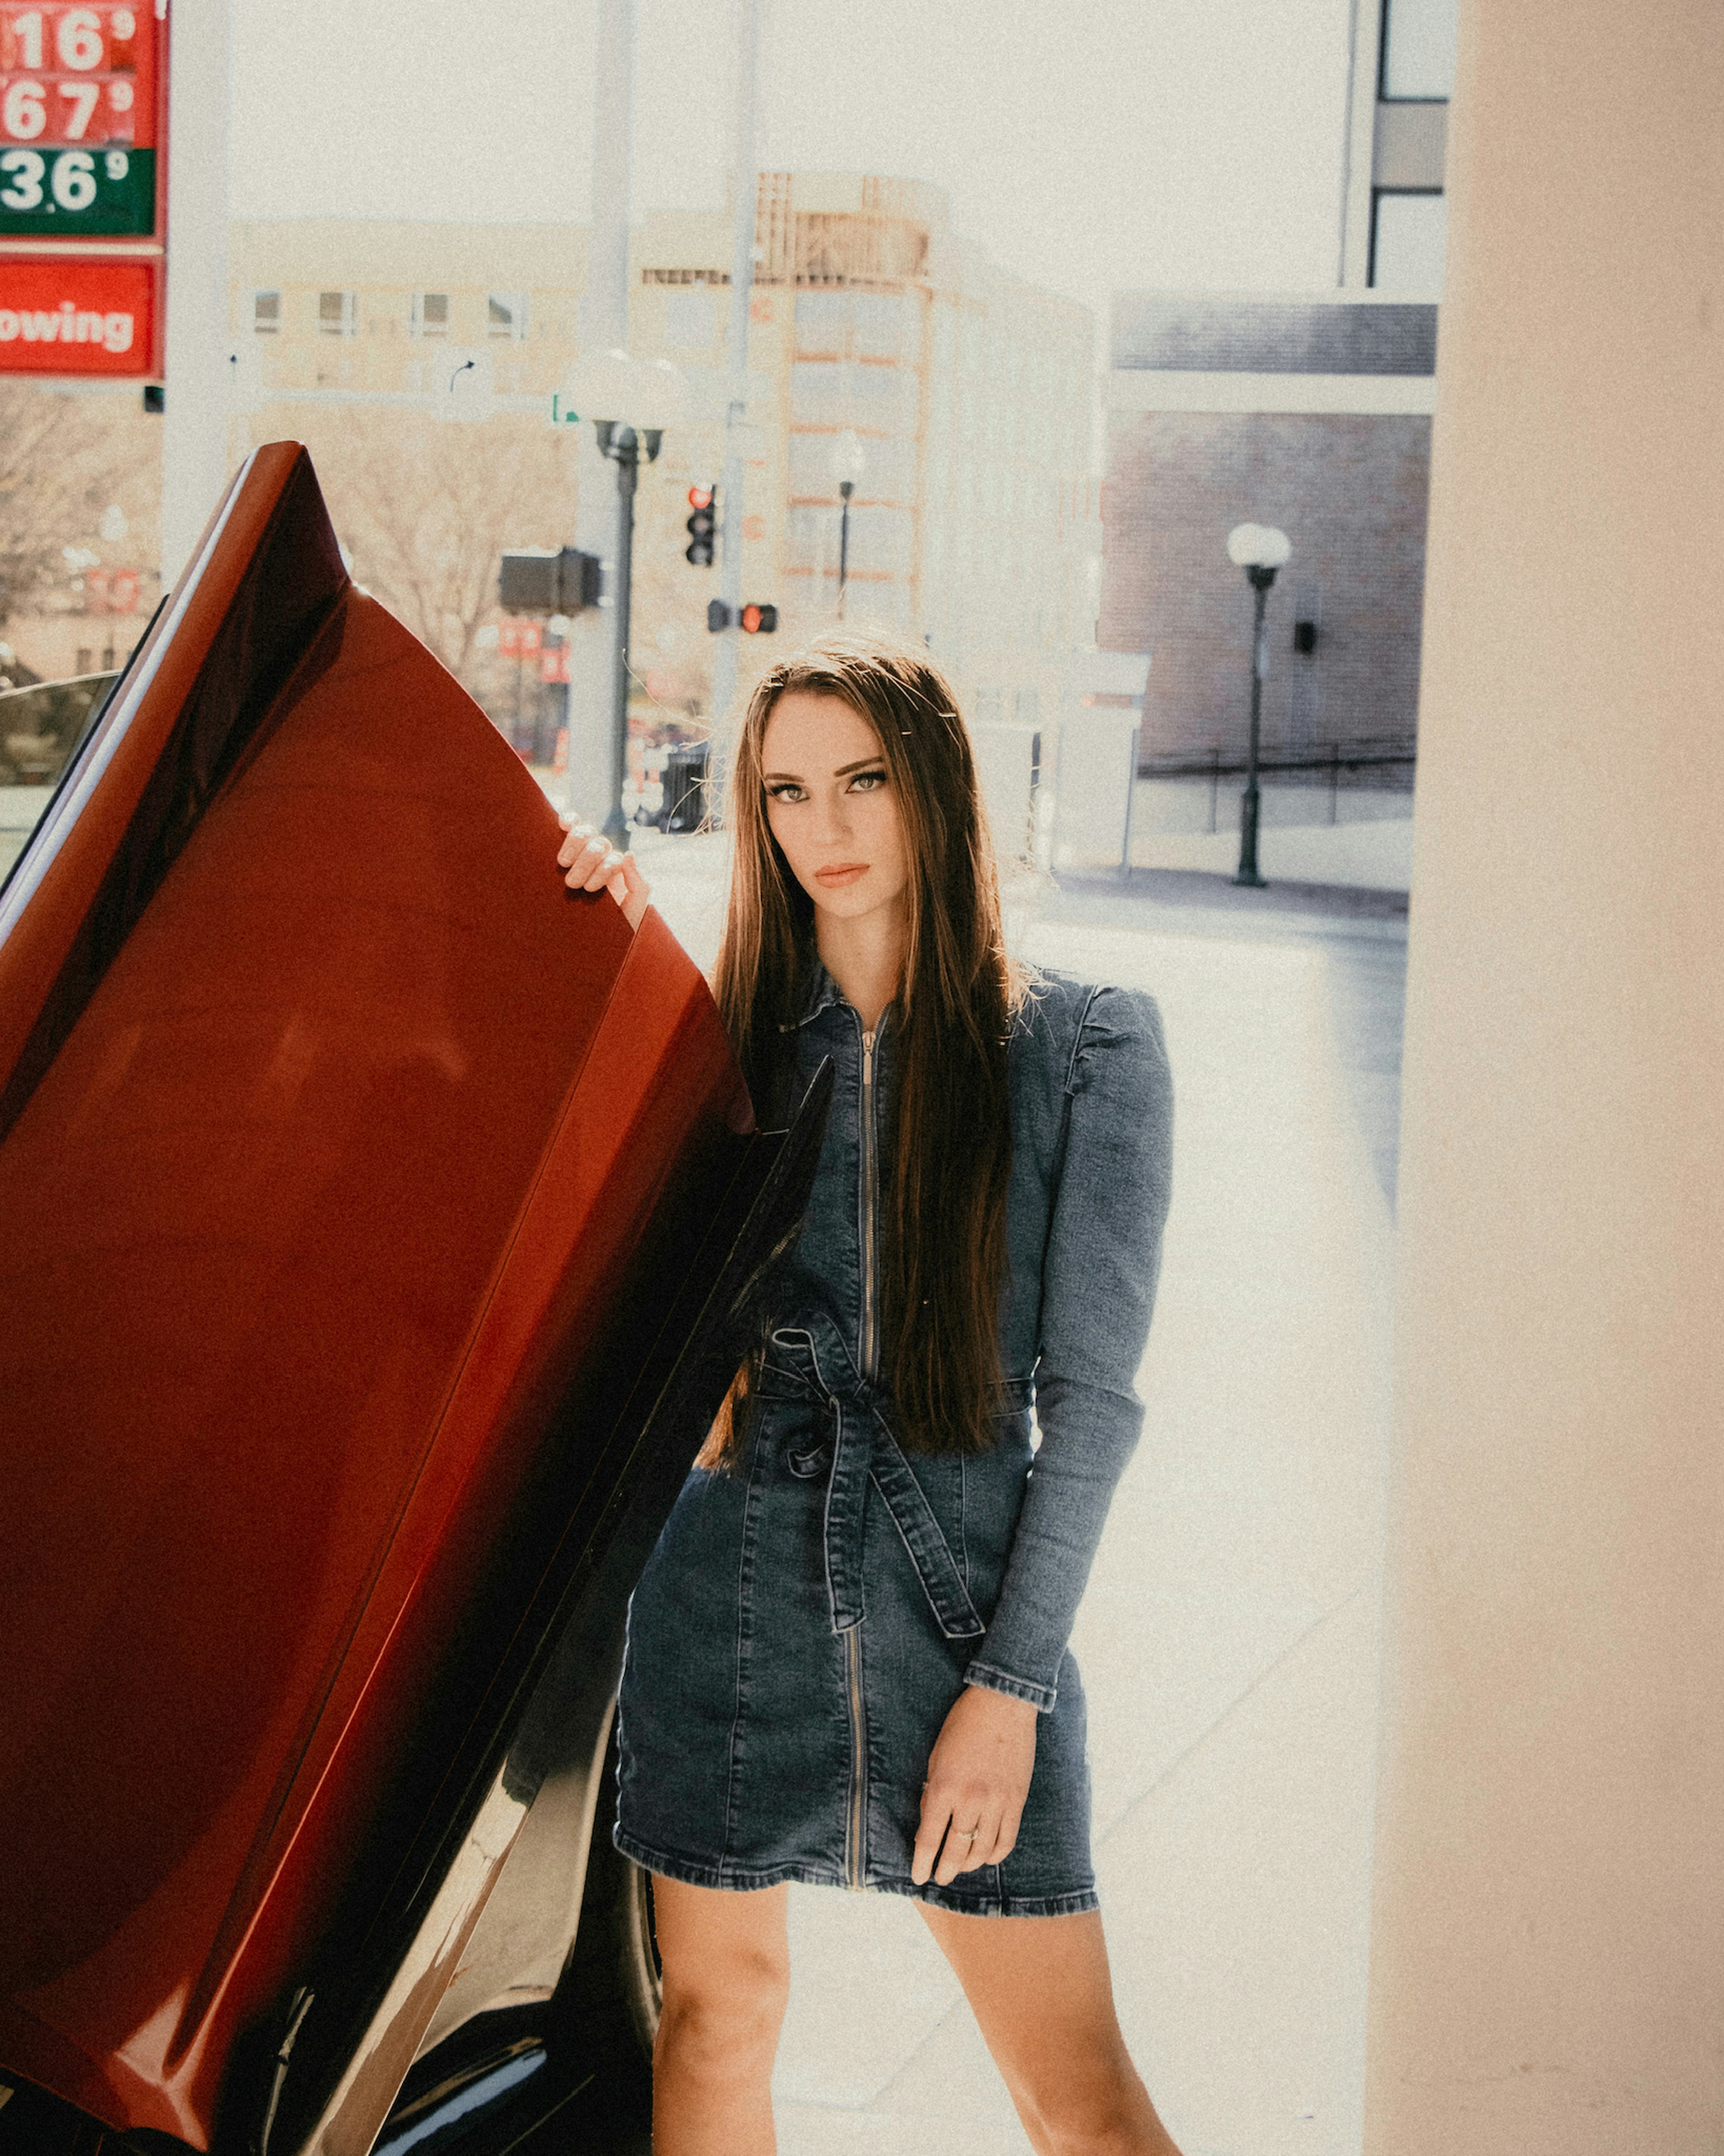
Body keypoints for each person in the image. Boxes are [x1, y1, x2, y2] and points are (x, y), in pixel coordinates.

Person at [556, 634, 1179, 2156]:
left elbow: (1091, 1404)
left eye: (862, 781)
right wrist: (572, 920)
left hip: (965, 1601)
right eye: (785, 792)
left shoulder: (1086, 1046)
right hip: (730, 1587)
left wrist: (1012, 1688)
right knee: (718, 2020)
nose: (824, 827)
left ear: (936, 789)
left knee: (1074, 2092)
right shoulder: (716, 1046)